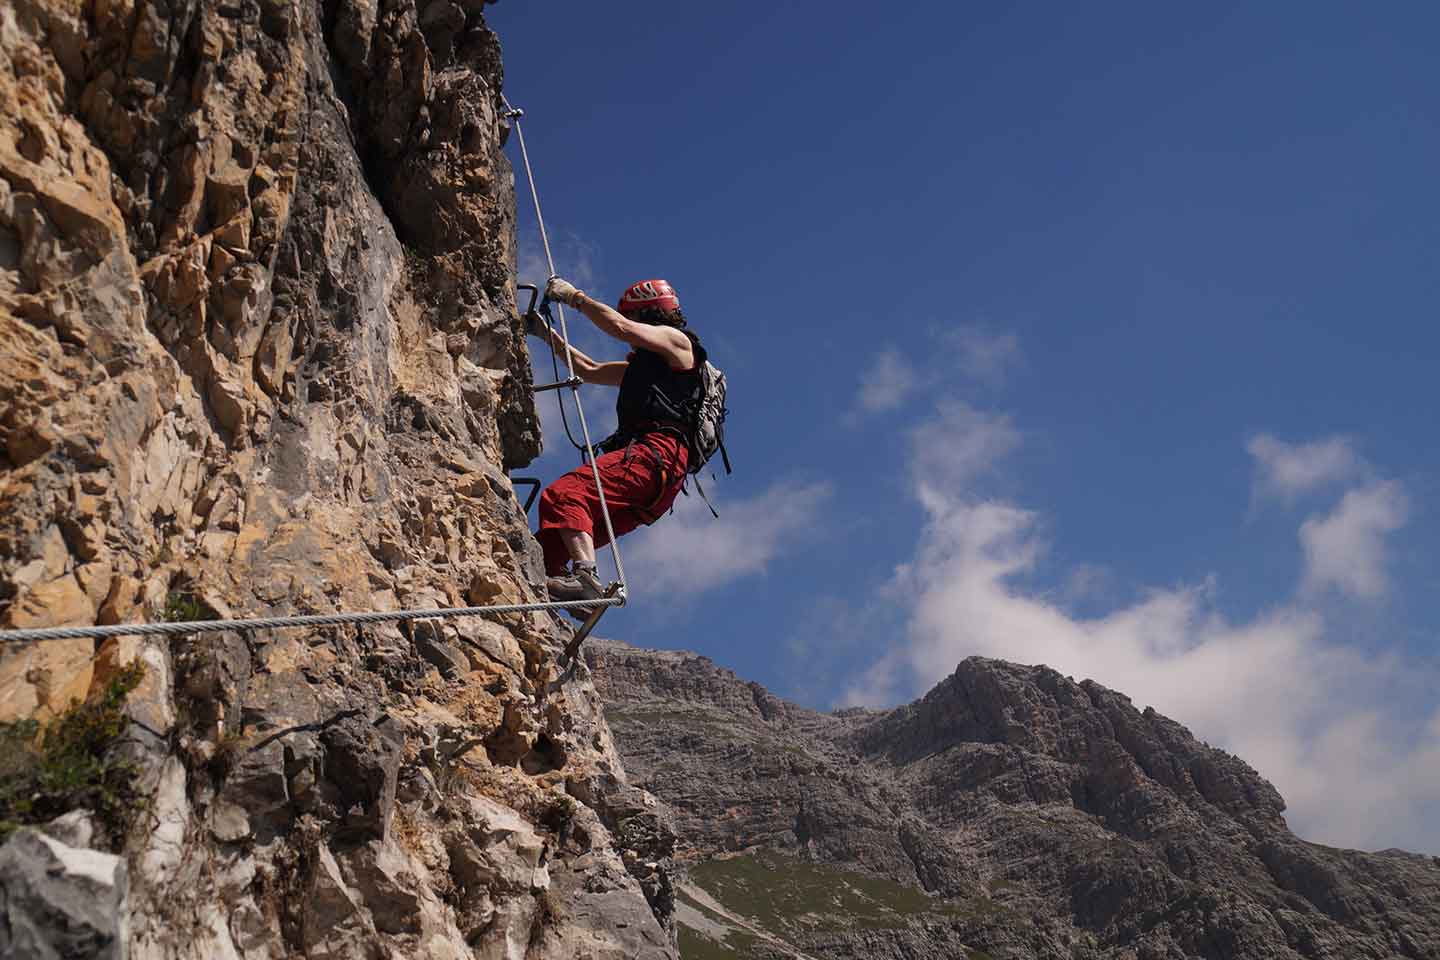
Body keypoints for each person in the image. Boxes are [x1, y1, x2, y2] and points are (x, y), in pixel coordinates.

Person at [527, 276, 705, 609]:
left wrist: (574, 297)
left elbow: (621, 327)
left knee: (566, 495)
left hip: (654, 457)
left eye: (637, 319)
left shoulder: (678, 342)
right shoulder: (652, 369)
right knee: (549, 546)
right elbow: (590, 369)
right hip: (659, 482)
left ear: (650, 315)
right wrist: (547, 335)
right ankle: (556, 592)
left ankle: (584, 578)